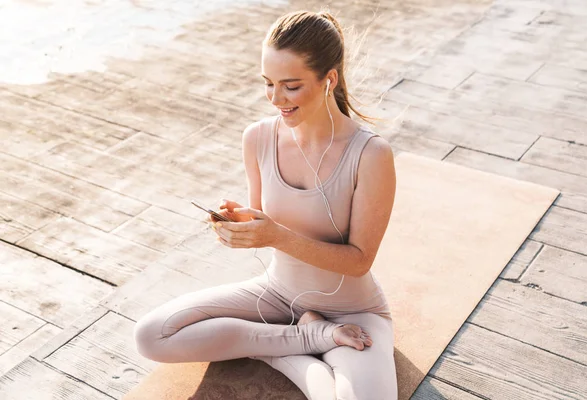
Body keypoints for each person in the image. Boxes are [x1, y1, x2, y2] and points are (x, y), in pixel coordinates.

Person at [133, 10, 397, 400]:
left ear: (330, 80)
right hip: (277, 296)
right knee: (152, 335)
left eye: (290, 86)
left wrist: (275, 234)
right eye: (268, 84)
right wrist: (241, 224)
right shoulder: (257, 137)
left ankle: (280, 344)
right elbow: (268, 226)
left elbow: (359, 260)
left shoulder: (371, 154)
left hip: (352, 312)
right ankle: (308, 339)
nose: (276, 99)